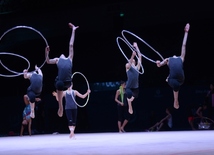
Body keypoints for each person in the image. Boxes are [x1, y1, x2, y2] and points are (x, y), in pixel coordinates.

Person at [46, 22, 79, 117]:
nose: (62, 54)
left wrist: (73, 31)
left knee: (59, 82)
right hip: (61, 82)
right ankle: (60, 106)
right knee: (59, 83)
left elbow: (71, 44)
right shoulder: (57, 60)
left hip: (68, 82)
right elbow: (47, 61)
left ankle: (60, 105)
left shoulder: (70, 58)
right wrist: (46, 52)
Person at [156, 23, 190, 109]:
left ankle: (168, 78)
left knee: (174, 82)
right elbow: (160, 65)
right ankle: (176, 100)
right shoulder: (168, 59)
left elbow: (184, 45)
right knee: (175, 84)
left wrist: (186, 32)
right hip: (174, 80)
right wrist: (158, 63)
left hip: (181, 79)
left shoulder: (181, 58)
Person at [125, 42, 142, 114]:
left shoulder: (137, 67)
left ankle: (130, 101)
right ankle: (129, 104)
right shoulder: (128, 67)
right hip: (129, 86)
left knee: (133, 98)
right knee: (129, 97)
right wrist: (132, 55)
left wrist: (136, 47)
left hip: (136, 87)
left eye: (134, 60)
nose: (132, 60)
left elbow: (140, 56)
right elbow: (129, 64)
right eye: (131, 60)